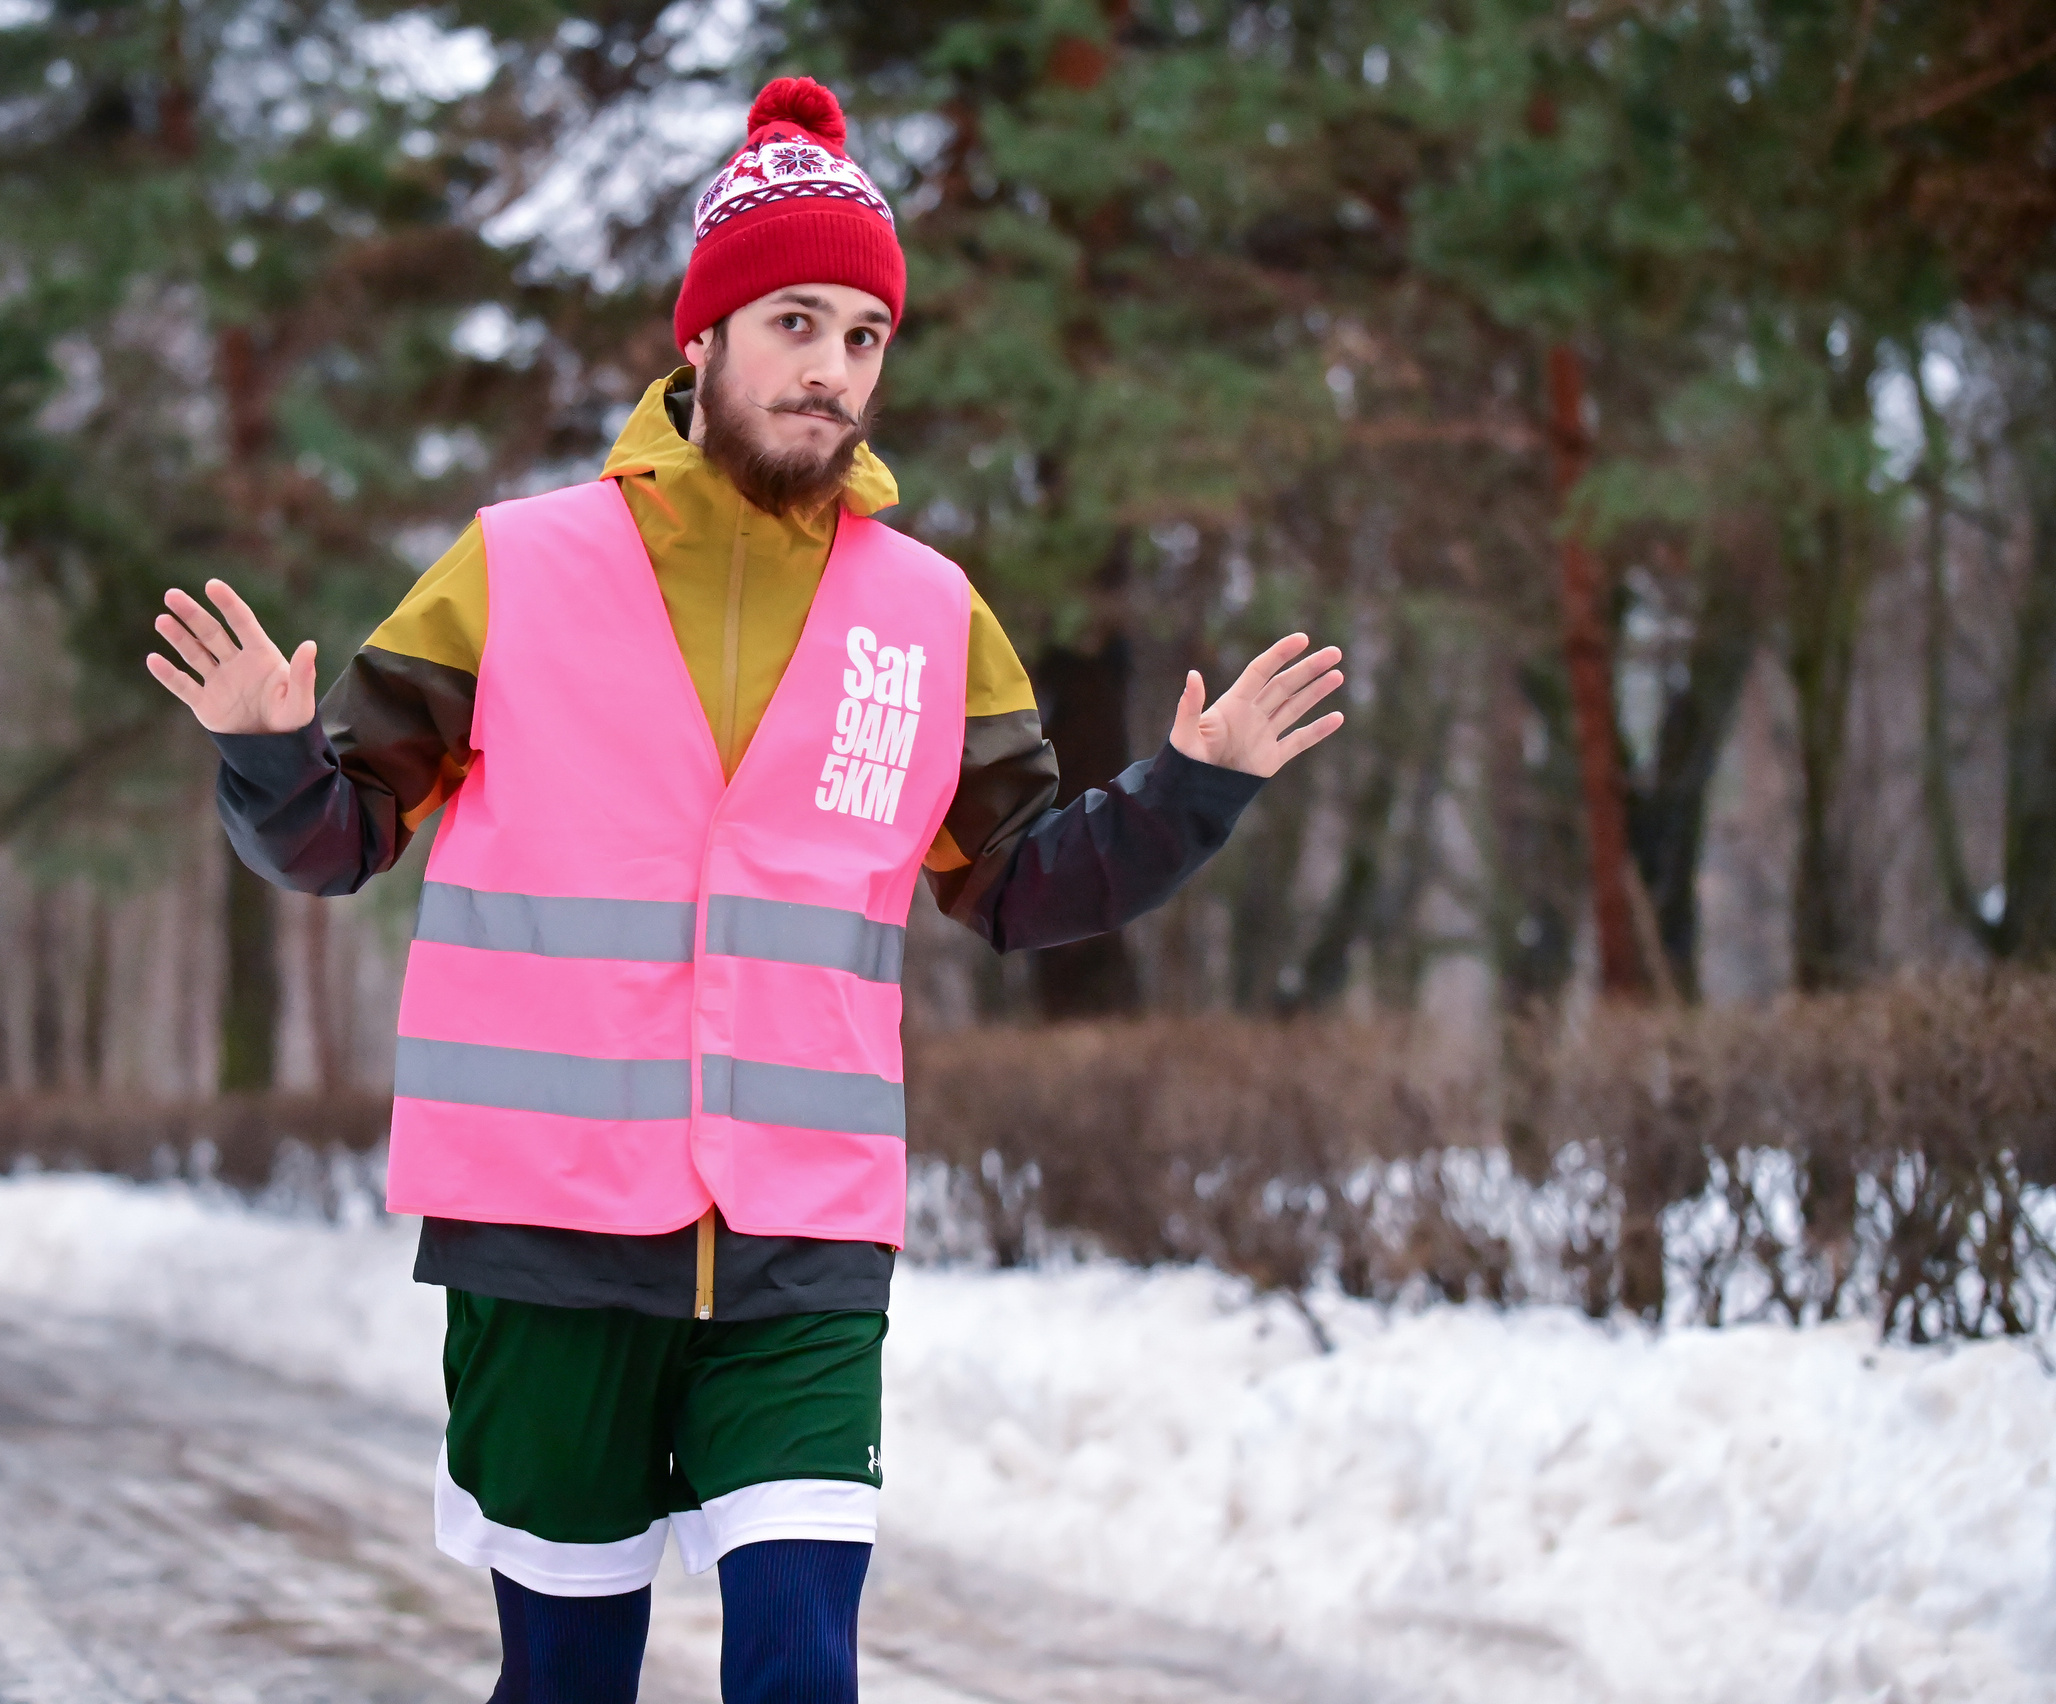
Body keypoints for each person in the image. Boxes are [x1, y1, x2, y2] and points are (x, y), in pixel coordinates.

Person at [147, 74, 1343, 1704]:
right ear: (700, 340)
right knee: (566, 1680)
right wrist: (270, 757)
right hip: (545, 1227)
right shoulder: (517, 566)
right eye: (797, 323)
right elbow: (340, 839)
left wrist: (1190, 794)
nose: (835, 370)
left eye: (865, 337)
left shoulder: (929, 616)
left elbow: (1011, 884)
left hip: (801, 1235)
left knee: (801, 1671)